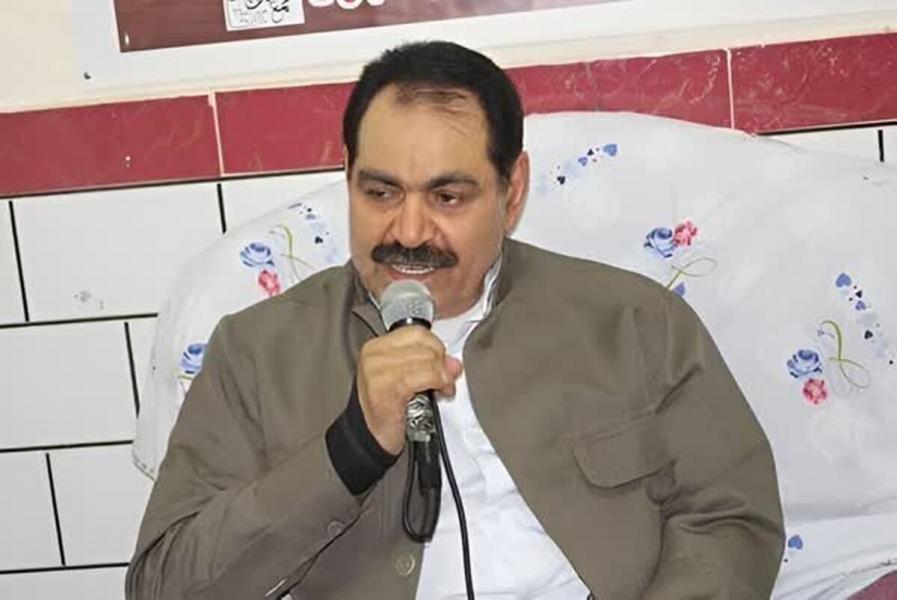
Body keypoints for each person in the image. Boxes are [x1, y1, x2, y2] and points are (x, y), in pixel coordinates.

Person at [126, 41, 785, 599]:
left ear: (512, 191)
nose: (409, 230)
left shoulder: (634, 321)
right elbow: (165, 586)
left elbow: (731, 517)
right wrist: (350, 448)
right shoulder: (255, 353)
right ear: (347, 178)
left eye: (447, 197)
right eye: (380, 192)